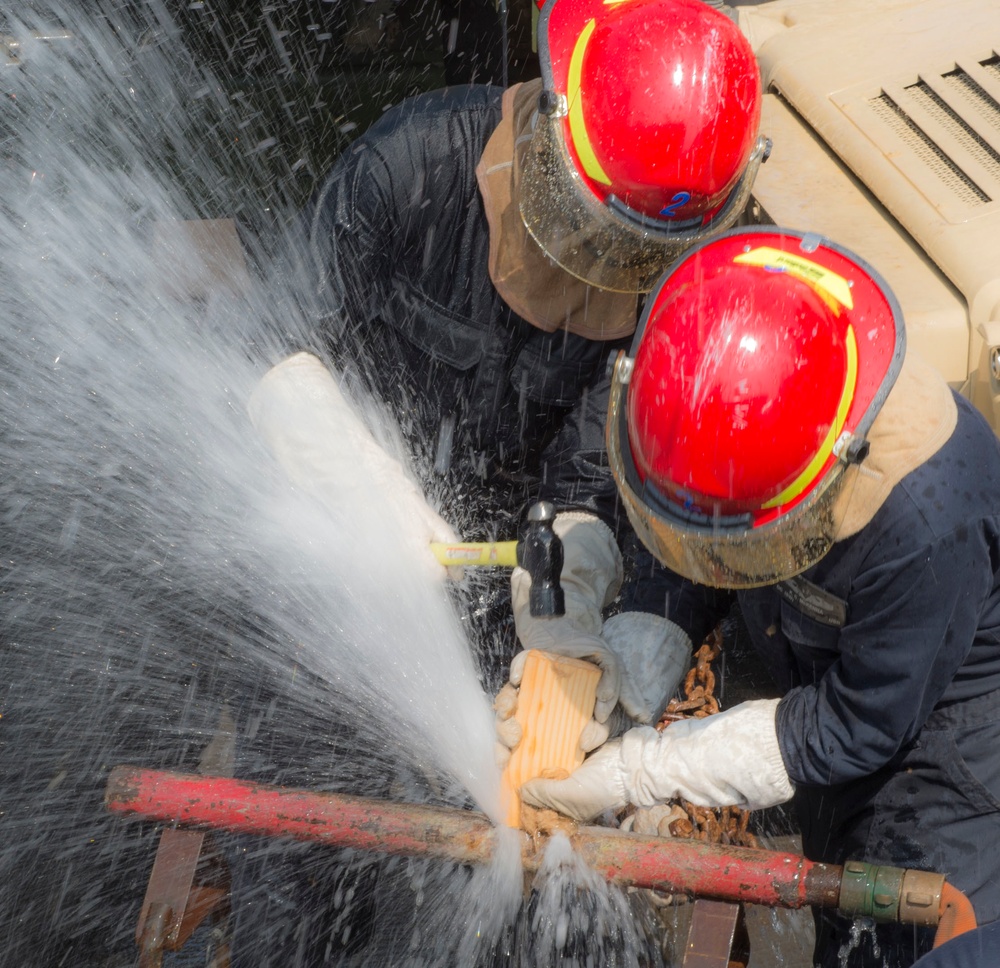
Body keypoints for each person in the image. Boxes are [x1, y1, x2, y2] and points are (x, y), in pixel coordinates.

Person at [231, 0, 768, 964]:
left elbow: (640, 451)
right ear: (553, 144)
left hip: (504, 616)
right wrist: (353, 482)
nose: (607, 274)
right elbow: (278, 342)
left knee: (491, 874)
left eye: (631, 255)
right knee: (301, 861)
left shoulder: (677, 265)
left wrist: (604, 566)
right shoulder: (406, 171)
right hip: (329, 594)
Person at [519, 225, 1000, 968]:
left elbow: (857, 725)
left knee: (884, 938)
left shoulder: (932, 516)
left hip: (939, 751)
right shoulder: (729, 357)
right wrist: (635, 667)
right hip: (807, 654)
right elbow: (701, 535)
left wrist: (643, 767)